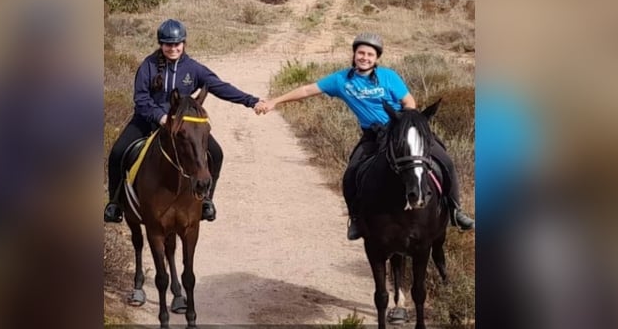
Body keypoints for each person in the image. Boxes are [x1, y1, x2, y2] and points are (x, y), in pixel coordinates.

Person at [255, 33, 474, 240]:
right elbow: (306, 90)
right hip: (373, 135)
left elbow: (409, 101)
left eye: (370, 54)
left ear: (377, 58)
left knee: (444, 160)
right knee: (352, 172)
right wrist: (275, 101)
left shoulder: (389, 77)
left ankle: (455, 210)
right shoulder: (341, 80)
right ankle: (357, 220)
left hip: (401, 131)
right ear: (354, 55)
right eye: (361, 53)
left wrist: (404, 124)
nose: (365, 58)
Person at [104, 19, 265, 223]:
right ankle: (115, 204)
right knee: (118, 153)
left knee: (216, 153)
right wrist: (160, 117)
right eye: (168, 44)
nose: (172, 48)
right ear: (161, 44)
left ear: (183, 43)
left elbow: (219, 87)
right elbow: (141, 99)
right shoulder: (148, 66)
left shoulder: (193, 68)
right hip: (148, 120)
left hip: (183, 126)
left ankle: (206, 200)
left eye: (177, 44)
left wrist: (251, 101)